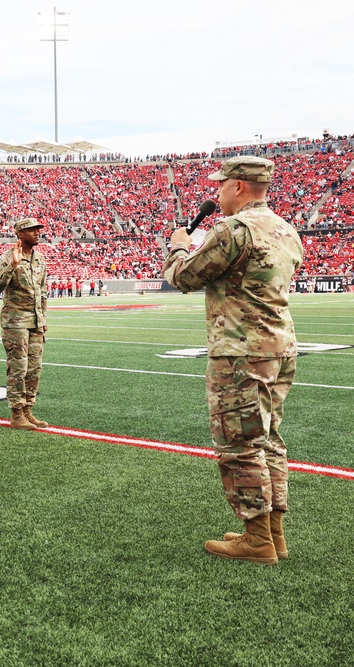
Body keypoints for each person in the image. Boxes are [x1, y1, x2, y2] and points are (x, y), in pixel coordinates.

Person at [163, 156, 303, 565]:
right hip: (280, 348)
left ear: (239, 186)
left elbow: (183, 277)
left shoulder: (233, 229)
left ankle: (256, 539)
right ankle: (273, 534)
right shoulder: (285, 228)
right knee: (269, 438)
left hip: (241, 351)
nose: (217, 192)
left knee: (239, 444)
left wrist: (177, 246)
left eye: (221, 184)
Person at [0, 218, 49, 430]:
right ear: (20, 234)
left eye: (38, 230)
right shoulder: (8, 258)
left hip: (35, 322)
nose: (37, 233)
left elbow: (43, 291)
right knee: (18, 368)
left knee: (34, 369)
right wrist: (12, 266)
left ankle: (28, 411)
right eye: (32, 230)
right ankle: (16, 413)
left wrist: (43, 318)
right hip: (15, 322)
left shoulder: (40, 259)